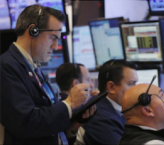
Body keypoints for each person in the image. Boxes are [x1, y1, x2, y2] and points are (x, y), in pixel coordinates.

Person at [0, 4, 95, 144]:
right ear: (33, 31)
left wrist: (72, 127)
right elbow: (25, 123)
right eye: (52, 37)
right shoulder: (6, 66)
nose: (56, 46)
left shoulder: (33, 68)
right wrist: (69, 104)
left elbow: (45, 124)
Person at [76, 59, 138, 144]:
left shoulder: (108, 105)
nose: (136, 89)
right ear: (111, 87)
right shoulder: (100, 119)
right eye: (131, 83)